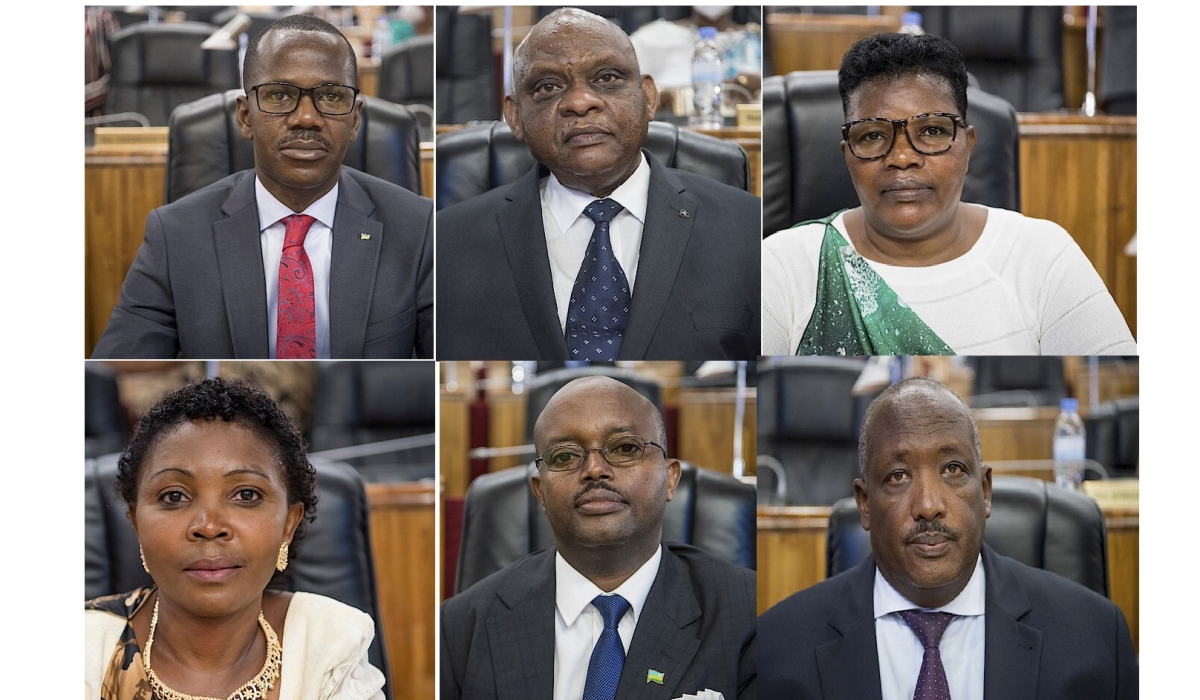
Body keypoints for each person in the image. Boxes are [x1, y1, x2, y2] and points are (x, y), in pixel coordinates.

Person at [758, 377, 1138, 699]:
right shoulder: (776, 649)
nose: (928, 505)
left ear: (985, 491)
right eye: (898, 476)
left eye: (953, 469)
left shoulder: (1096, 639)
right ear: (865, 504)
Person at [761, 33, 1136, 355]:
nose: (903, 157)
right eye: (873, 135)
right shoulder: (781, 265)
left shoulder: (1043, 254)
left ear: (968, 146)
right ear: (848, 155)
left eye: (933, 132)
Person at [93, 14, 433, 359]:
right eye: (280, 95)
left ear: (355, 119)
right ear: (245, 117)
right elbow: (115, 371)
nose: (306, 118)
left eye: (331, 97)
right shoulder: (175, 234)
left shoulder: (418, 229)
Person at [436, 8, 760, 361]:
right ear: (515, 117)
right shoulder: (445, 244)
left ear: (649, 97)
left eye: (607, 78)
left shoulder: (747, 228)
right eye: (548, 86)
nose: (579, 102)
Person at [441, 376, 756, 699]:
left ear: (670, 479)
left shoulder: (750, 613)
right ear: (540, 495)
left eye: (624, 448)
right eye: (564, 455)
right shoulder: (461, 626)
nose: (594, 468)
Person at [84, 377, 385, 699]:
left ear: (289, 523)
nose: (209, 526)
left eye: (246, 494)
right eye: (174, 496)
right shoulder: (84, 647)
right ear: (136, 522)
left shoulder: (330, 641)